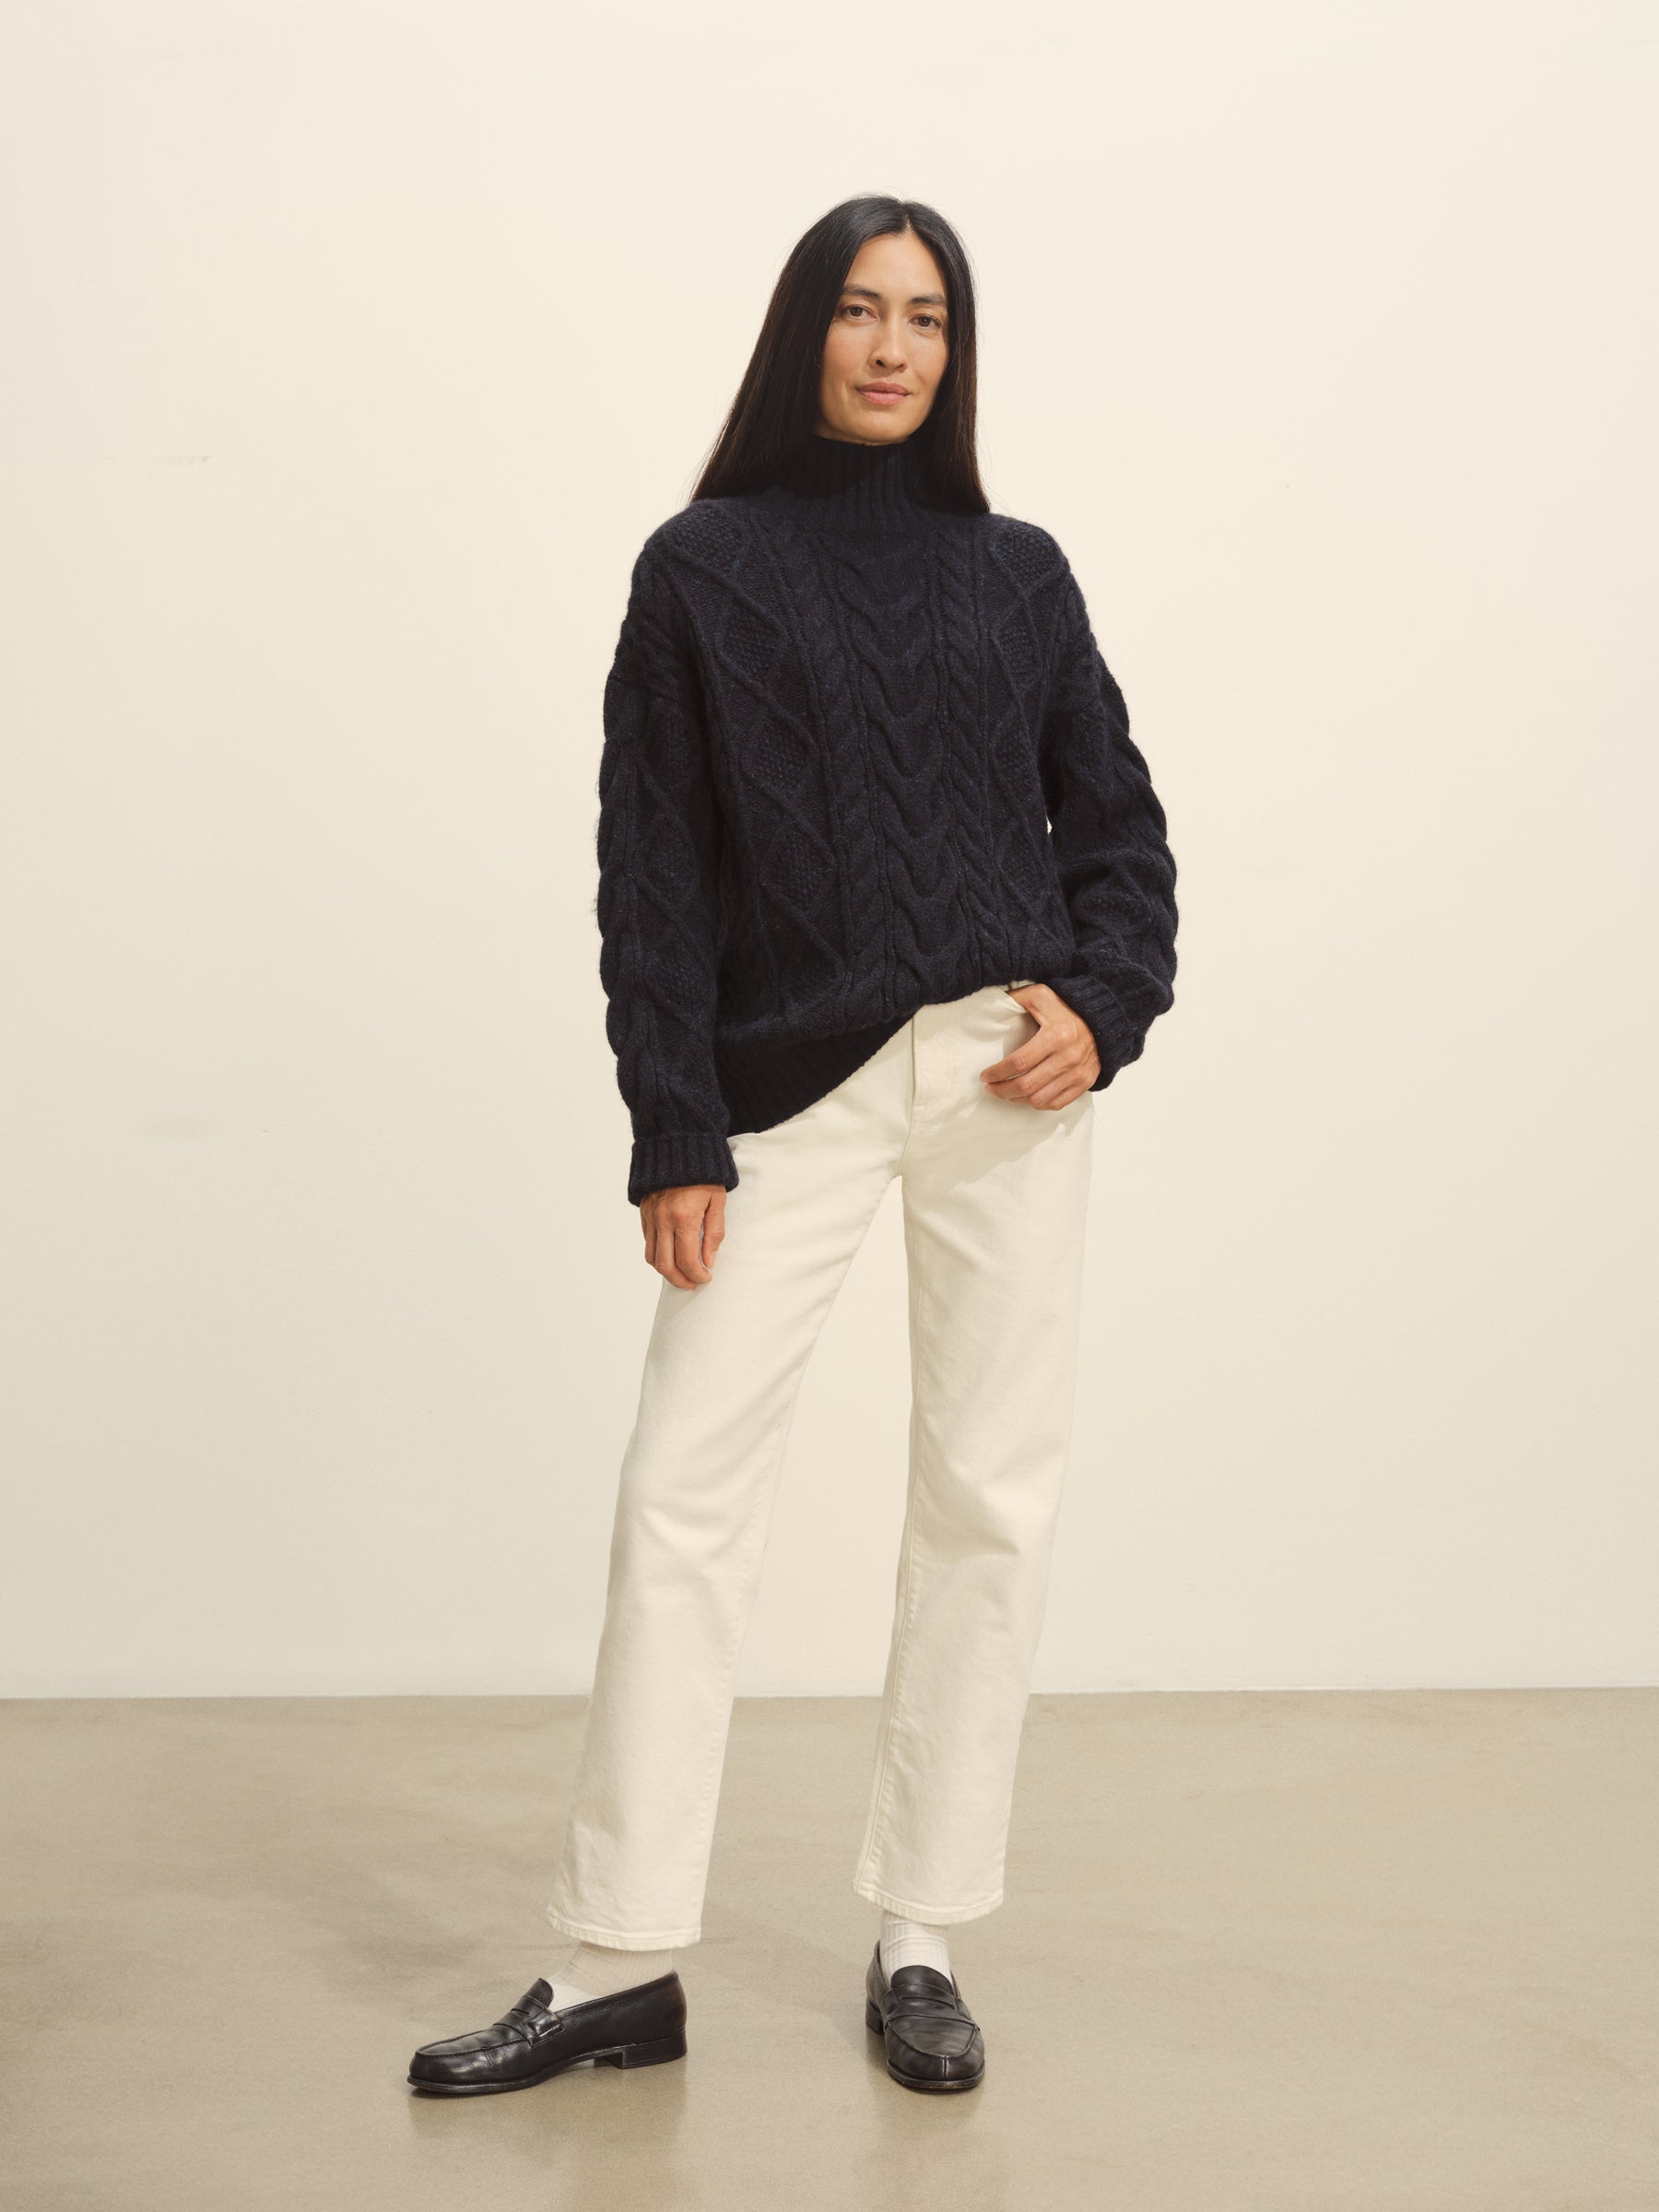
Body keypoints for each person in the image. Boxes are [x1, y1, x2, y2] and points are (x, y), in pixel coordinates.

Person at [407, 193, 1179, 2101]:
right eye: (859, 309)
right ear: (802, 332)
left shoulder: (1020, 573)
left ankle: (922, 1938)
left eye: (927, 316)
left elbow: (1118, 828)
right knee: (684, 1493)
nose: (894, 346)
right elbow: (652, 870)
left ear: (955, 351)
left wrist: (1106, 1000)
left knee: (987, 1497)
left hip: (1004, 1075)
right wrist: (674, 1121)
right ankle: (615, 1958)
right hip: (789, 1087)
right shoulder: (704, 570)